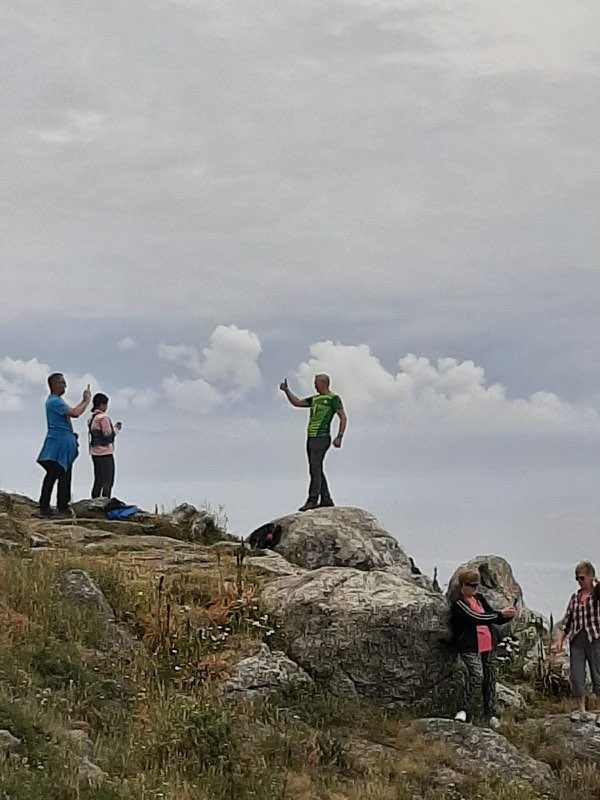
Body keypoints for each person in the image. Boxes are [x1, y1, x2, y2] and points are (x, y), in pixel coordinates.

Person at [451, 568, 516, 728]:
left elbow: (490, 616)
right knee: (476, 675)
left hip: (487, 643)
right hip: (469, 646)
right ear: (462, 585)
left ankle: (490, 713)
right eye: (471, 585)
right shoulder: (458, 602)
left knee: (490, 678)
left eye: (476, 585)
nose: (474, 589)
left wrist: (507, 616)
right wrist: (500, 614)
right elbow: (475, 618)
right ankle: (464, 709)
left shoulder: (479, 599)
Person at [279, 374, 347, 511]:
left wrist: (339, 436)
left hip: (322, 437)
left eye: (316, 383)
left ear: (324, 383)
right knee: (316, 468)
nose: (314, 385)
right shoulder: (315, 399)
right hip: (311, 437)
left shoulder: (333, 398)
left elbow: (343, 417)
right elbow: (297, 402)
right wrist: (287, 391)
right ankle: (326, 499)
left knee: (314, 468)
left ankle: (313, 499)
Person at [37, 373, 91, 517]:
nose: (65, 385)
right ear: (55, 384)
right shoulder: (55, 402)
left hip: (60, 442)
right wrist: (86, 401)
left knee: (55, 474)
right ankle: (59, 506)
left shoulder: (54, 401)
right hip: (59, 443)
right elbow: (75, 413)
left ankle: (47, 506)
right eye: (62, 382)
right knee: (61, 474)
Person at [556, 561, 600, 720]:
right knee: (577, 675)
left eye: (582, 578)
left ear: (590, 577)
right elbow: (566, 621)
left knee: (598, 674)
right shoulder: (575, 598)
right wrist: (560, 639)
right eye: (577, 578)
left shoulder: (597, 595)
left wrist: (597, 584)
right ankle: (581, 710)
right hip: (577, 640)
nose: (579, 581)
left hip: (595, 638)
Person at [88, 393, 122, 499]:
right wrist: (116, 429)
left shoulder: (91, 418)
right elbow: (107, 435)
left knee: (98, 480)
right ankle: (105, 502)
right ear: (102, 405)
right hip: (105, 453)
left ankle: (94, 502)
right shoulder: (103, 418)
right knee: (108, 480)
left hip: (95, 453)